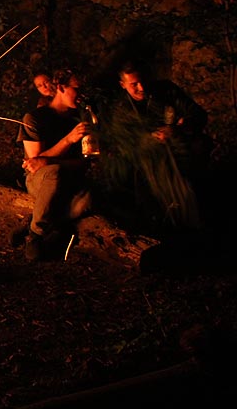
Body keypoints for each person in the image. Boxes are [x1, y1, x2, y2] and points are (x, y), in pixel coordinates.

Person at [100, 61, 211, 230]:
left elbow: (198, 115)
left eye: (142, 81)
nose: (142, 88)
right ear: (123, 85)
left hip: (178, 148)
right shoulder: (121, 108)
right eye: (134, 84)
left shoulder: (166, 90)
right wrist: (149, 140)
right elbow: (122, 141)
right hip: (147, 159)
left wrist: (176, 129)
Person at [17, 69, 93, 261]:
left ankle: (39, 223)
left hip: (68, 179)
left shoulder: (78, 118)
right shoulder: (34, 118)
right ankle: (36, 234)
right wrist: (68, 140)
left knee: (87, 200)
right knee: (54, 173)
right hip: (40, 180)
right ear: (60, 88)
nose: (81, 95)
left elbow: (83, 162)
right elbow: (36, 165)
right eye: (77, 89)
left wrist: (49, 160)